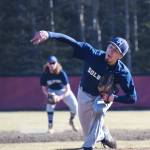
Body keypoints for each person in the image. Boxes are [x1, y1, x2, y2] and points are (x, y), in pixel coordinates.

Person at [31, 31, 137, 150]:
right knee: (89, 133)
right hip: (84, 94)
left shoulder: (123, 72)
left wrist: (114, 98)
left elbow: (132, 97)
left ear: (120, 56)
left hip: (103, 97)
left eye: (115, 50)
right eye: (110, 47)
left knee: (99, 109)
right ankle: (103, 135)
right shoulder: (92, 54)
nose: (111, 51)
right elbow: (71, 42)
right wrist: (49, 34)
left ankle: (88, 147)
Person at [40, 55, 78, 133]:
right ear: (47, 64)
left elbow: (68, 89)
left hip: (63, 91)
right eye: (50, 63)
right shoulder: (45, 74)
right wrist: (49, 96)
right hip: (52, 91)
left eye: (53, 63)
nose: (52, 65)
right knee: (49, 106)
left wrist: (60, 97)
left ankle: (72, 121)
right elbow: (43, 89)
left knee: (75, 106)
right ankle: (50, 127)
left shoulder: (61, 73)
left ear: (57, 63)